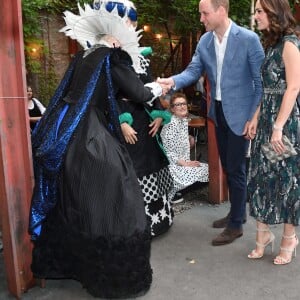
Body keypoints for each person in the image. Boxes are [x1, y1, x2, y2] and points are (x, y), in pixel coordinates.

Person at [28, 3, 164, 298]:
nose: (131, 26)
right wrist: (162, 87)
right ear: (116, 26)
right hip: (92, 138)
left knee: (82, 201)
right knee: (117, 199)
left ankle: (79, 266)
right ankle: (114, 277)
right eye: (128, 21)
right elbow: (139, 93)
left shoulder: (84, 55)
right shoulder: (112, 56)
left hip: (68, 135)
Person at [157, 0, 265, 246]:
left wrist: (254, 116)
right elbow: (192, 71)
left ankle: (236, 224)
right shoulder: (205, 41)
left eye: (205, 13)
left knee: (236, 168)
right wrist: (171, 82)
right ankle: (237, 212)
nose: (201, 18)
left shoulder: (249, 39)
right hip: (218, 113)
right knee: (228, 165)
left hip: (241, 116)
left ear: (221, 11)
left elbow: (260, 84)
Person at [101, 0, 174, 237]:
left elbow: (150, 90)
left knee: (152, 163)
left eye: (133, 21)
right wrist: (119, 122)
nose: (131, 25)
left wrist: (161, 116)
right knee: (130, 171)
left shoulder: (141, 57)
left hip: (146, 120)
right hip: (122, 122)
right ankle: (135, 228)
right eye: (127, 21)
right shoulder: (105, 56)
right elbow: (102, 95)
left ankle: (159, 221)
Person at [247, 0, 300, 265]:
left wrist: (278, 127)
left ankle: (289, 238)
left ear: (273, 13)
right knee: (261, 177)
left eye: (259, 11)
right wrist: (256, 117)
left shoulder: (290, 43)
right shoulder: (270, 44)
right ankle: (263, 234)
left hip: (285, 123)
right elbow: (266, 88)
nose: (256, 16)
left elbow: (293, 88)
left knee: (286, 181)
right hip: (267, 120)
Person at [160, 92, 209, 202]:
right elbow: (168, 153)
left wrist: (189, 137)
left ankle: (180, 189)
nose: (182, 106)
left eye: (184, 103)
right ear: (172, 109)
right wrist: (186, 164)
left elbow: (178, 140)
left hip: (182, 163)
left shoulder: (182, 121)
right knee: (207, 171)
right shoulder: (171, 124)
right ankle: (176, 192)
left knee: (208, 170)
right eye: (178, 105)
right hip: (172, 167)